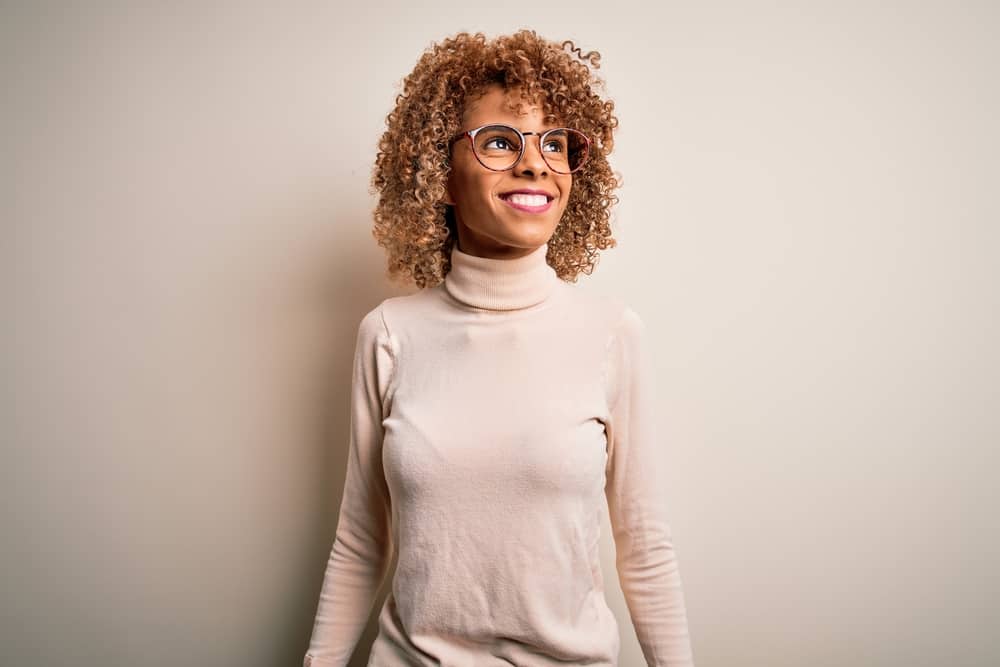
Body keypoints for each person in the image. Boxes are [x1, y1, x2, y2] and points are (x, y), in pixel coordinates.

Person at [304, 30, 695, 666]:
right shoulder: (389, 334)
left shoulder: (612, 333)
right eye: (499, 142)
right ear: (440, 173)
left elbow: (644, 543)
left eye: (555, 143)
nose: (535, 163)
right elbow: (360, 539)